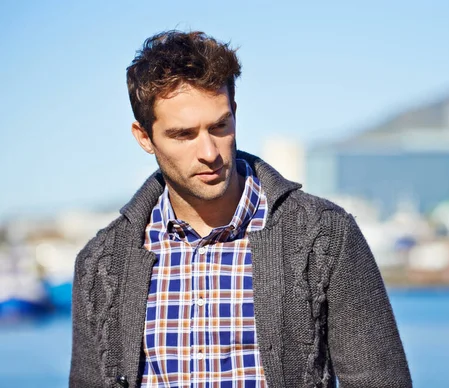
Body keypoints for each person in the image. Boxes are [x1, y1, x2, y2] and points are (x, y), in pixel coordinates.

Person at [69, 30, 412, 388]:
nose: (209, 152)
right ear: (144, 137)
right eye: (183, 135)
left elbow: (381, 379)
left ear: (235, 113)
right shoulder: (102, 263)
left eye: (219, 126)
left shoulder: (324, 235)